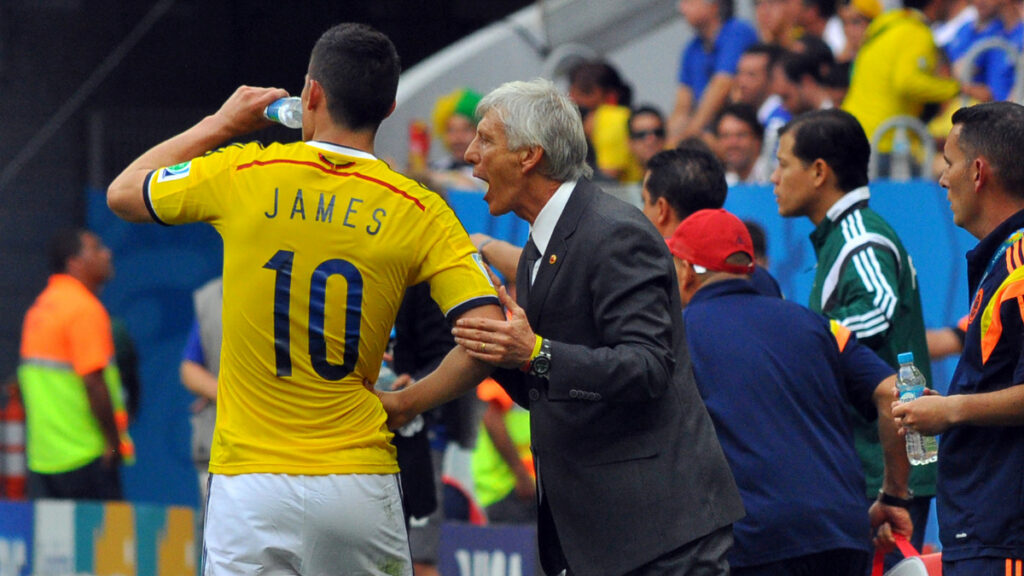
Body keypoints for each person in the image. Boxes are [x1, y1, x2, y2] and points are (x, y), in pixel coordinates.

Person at [107, 22, 503, 575]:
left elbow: (124, 192)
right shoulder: (420, 209)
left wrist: (220, 124)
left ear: (310, 94)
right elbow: (489, 337)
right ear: (389, 107)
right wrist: (408, 403)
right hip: (356, 480)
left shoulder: (244, 170)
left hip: (249, 483)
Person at [384, 78, 745, 576]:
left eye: (485, 140)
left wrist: (534, 352)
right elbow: (545, 384)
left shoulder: (615, 232)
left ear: (529, 155)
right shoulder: (543, 240)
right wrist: (492, 349)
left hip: (660, 537)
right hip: (604, 537)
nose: (469, 155)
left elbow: (647, 367)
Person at [669, 208, 912, 574]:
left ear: (687, 271)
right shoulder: (817, 325)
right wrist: (893, 494)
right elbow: (897, 391)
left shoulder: (678, 337)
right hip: (842, 534)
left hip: (754, 541)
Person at [771, 108, 936, 563]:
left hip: (883, 470)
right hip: (876, 462)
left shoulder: (859, 237)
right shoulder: (843, 236)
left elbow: (878, 306)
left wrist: (803, 337)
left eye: (783, 164)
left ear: (819, 171)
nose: (773, 177)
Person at [896, 101, 1024, 575]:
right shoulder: (1002, 260)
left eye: (948, 163)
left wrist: (950, 410)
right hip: (984, 531)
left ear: (978, 171)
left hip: (1003, 537)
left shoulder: (1021, 265)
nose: (941, 178)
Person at [19, 229, 134, 501]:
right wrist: (113, 443)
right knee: (101, 540)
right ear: (75, 263)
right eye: (96, 249)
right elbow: (94, 383)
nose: (107, 253)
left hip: (47, 457)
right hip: (87, 454)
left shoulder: (41, 307)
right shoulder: (83, 309)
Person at [643, 147, 783, 297]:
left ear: (662, 209)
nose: (642, 212)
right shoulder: (763, 280)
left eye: (644, 201)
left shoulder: (650, 278)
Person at [841, 0, 960, 147]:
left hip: (853, 131)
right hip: (881, 141)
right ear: (936, 3)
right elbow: (906, 82)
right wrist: (956, 89)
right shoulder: (916, 32)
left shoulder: (888, 28)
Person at [670, 0, 759, 144]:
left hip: (743, 127)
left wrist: (688, 137)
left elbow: (722, 86)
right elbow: (682, 106)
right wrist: (669, 141)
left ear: (714, 5)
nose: (681, 8)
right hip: (711, 132)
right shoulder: (691, 49)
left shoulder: (737, 31)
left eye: (688, 1)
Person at [179, 275, 221, 555]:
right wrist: (226, 393)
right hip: (218, 443)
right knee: (217, 545)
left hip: (284, 444)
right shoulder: (213, 296)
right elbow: (190, 367)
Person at [567, 60, 639, 183]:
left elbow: (608, 180)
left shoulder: (611, 118)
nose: (573, 99)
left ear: (610, 95)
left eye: (585, 92)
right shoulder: (621, 116)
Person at [409, 87, 486, 193]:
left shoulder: (489, 168)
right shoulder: (437, 166)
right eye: (451, 130)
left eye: (465, 129)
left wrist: (425, 175)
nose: (458, 137)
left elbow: (469, 184)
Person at [714, 103, 773, 185]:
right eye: (725, 136)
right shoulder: (727, 182)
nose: (732, 144)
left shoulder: (772, 177)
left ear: (757, 140)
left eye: (740, 135)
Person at [627, 105, 668, 181]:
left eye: (657, 133)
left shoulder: (679, 180)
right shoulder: (619, 177)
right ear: (629, 142)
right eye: (641, 134)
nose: (651, 140)